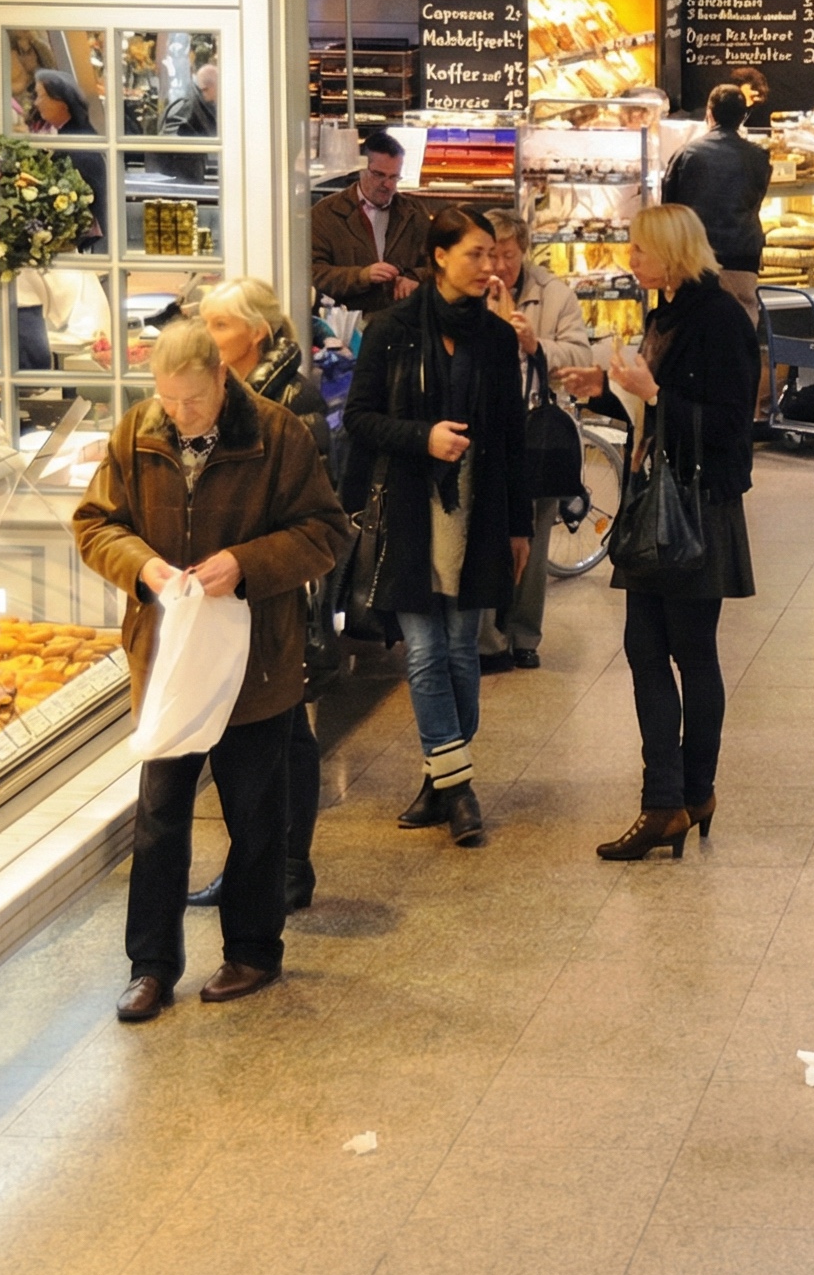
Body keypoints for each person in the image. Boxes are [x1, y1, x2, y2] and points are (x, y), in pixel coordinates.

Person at [75, 319, 348, 1021]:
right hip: (168, 657)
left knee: (256, 813)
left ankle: (254, 951)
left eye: (193, 399)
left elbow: (325, 532)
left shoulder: (278, 434)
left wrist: (247, 565)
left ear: (223, 379)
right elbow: (95, 524)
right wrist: (143, 567)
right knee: (159, 819)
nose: (181, 414)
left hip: (256, 662)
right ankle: (151, 968)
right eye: (169, 399)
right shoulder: (138, 431)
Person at [555, 205, 759, 861]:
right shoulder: (665, 313)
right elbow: (652, 406)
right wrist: (609, 391)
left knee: (691, 651)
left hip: (696, 505)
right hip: (654, 500)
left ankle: (691, 792)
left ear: (671, 252)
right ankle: (666, 800)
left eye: (639, 250)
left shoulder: (721, 318)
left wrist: (656, 391)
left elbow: (730, 424)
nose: (629, 260)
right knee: (644, 649)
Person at [341, 206, 533, 850]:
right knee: (425, 652)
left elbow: (510, 437)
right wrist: (422, 436)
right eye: (476, 254)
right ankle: (461, 791)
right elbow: (360, 419)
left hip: (476, 510)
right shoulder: (391, 329)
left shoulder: (497, 338)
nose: (490, 266)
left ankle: (439, 779)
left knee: (461, 651)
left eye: (494, 255)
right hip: (409, 510)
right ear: (440, 256)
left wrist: (518, 525)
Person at [178, 278, 334, 918]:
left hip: (273, 591)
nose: (208, 338)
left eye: (220, 326)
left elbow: (309, 510)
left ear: (256, 335)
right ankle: (262, 868)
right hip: (226, 589)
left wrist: (246, 558)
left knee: (286, 732)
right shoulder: (228, 394)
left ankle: (284, 868)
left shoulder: (289, 399)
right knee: (265, 734)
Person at [476, 209, 596, 672]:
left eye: (508, 255)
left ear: (522, 251)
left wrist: (535, 345)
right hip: (485, 433)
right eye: (491, 255)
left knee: (535, 536)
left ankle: (524, 635)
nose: (499, 266)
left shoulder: (554, 294)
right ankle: (486, 638)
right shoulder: (470, 292)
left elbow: (580, 353)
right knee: (488, 534)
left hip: (536, 433)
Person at [663, 84, 775, 328]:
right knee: (742, 320)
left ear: (709, 113)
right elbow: (757, 198)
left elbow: (669, 207)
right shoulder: (759, 156)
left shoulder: (687, 153)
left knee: (698, 324)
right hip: (743, 253)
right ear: (742, 117)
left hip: (697, 255)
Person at [310, 127, 432, 313]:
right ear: (360, 169)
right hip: (348, 323)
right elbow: (312, 274)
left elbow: (439, 264)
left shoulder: (414, 213)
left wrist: (414, 278)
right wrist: (361, 276)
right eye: (379, 175)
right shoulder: (326, 214)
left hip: (403, 321)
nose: (388, 185)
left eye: (394, 177)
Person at [29, 67, 107, 238]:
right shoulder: (73, 136)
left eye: (41, 96)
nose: (36, 103)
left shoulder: (76, 148)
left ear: (61, 102)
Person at [154, 62, 219, 183]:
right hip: (182, 176)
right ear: (207, 88)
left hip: (185, 171)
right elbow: (169, 140)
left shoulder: (193, 100)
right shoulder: (189, 104)